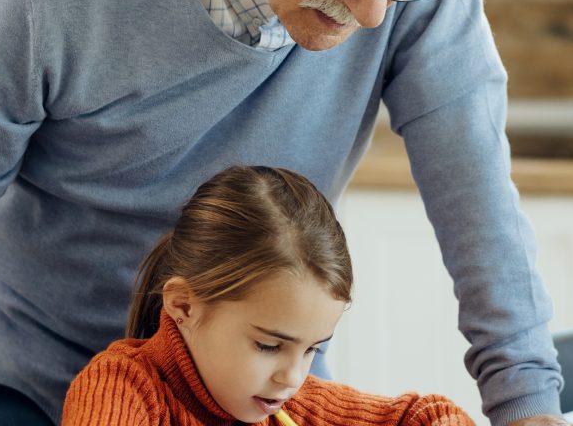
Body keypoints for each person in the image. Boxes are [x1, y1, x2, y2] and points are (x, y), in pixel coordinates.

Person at [0, 0, 568, 424]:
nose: (377, 12)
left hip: (243, 392)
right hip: (27, 390)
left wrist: (528, 403)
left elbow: (478, 204)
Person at [62, 165, 473, 425]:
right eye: (269, 345)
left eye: (313, 349)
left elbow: (425, 414)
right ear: (184, 305)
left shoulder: (294, 404)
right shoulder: (123, 388)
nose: (293, 378)